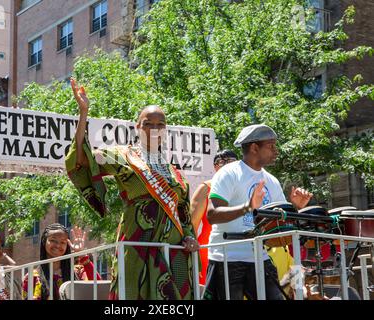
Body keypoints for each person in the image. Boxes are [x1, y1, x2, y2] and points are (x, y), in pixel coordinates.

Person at [65, 78, 199, 300]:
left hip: (173, 249)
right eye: (148, 123)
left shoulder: (174, 170)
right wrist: (83, 113)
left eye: (160, 124)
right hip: (137, 245)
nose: (154, 128)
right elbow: (81, 159)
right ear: (137, 127)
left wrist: (189, 237)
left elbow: (183, 210)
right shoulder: (123, 155)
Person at [203, 124, 313, 300]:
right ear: (254, 147)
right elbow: (212, 214)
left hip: (259, 257)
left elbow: (280, 224)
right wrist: (248, 206)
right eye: (271, 146)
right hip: (226, 257)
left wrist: (296, 207)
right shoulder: (228, 173)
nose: (276, 151)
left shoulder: (271, 180)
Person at [190, 150, 238, 285]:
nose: (227, 165)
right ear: (215, 167)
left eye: (231, 162)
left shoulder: (243, 187)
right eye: (222, 162)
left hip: (239, 251)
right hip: (209, 250)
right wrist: (192, 256)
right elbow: (191, 225)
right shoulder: (206, 188)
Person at [22, 223, 101, 300]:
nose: (58, 245)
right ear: (44, 241)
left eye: (63, 242)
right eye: (53, 240)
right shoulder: (31, 277)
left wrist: (82, 255)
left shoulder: (78, 272)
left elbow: (100, 288)